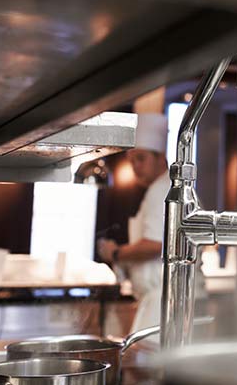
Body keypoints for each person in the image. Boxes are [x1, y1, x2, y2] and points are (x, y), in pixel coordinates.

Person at [97, 113, 171, 333]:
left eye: (141, 158)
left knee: (143, 365)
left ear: (161, 157)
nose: (136, 166)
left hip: (163, 299)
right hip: (159, 298)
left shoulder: (161, 190)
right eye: (131, 160)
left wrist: (116, 253)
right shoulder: (158, 188)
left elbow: (156, 245)